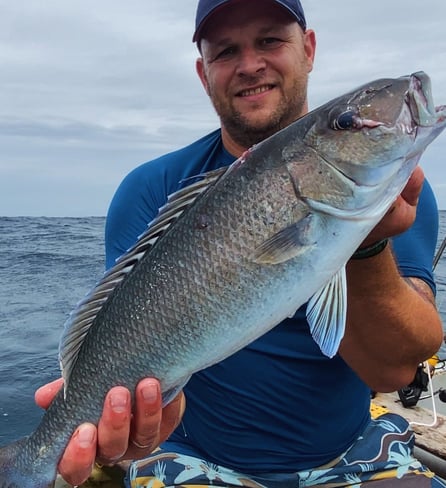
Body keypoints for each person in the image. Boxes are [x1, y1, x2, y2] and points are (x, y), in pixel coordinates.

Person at [36, 0, 446, 486]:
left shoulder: (400, 194)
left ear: (308, 48)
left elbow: (394, 372)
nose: (250, 64)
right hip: (192, 456)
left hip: (355, 452)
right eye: (226, 50)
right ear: (203, 71)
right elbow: (126, 336)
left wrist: (366, 246)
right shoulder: (148, 188)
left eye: (270, 40)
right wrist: (143, 419)